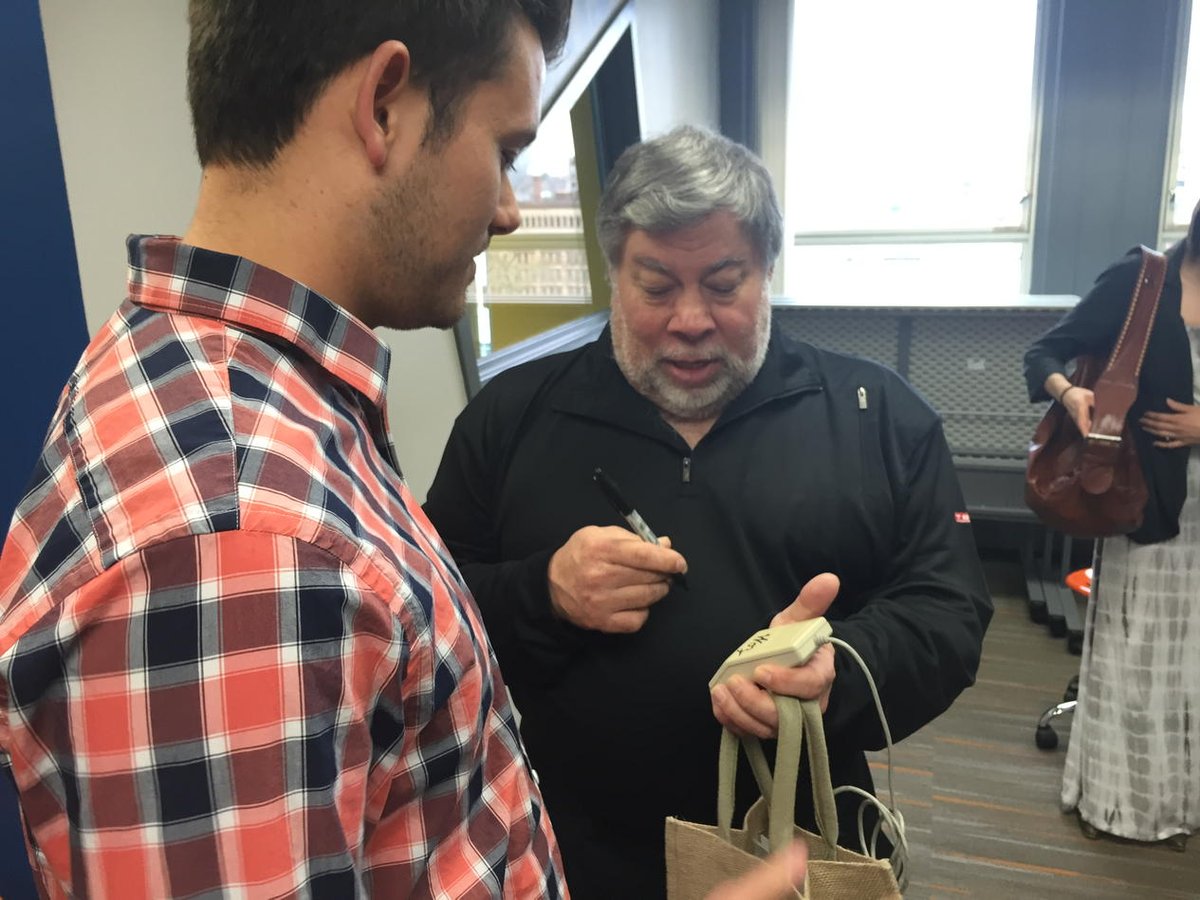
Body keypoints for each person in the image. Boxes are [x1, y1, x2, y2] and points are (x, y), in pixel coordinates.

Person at [0, 1, 575, 895]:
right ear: (384, 104)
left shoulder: (251, 399)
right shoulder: (236, 541)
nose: (508, 210)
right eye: (505, 151)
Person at [424, 125, 994, 898]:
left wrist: (840, 668)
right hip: (562, 844)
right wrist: (543, 592)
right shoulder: (511, 417)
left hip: (800, 845)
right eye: (656, 287)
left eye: (724, 285)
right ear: (614, 273)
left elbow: (950, 611)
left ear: (767, 271)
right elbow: (427, 616)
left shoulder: (879, 416)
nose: (690, 319)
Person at [1023, 212, 1200, 852]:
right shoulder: (1144, 280)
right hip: (1150, 505)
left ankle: (1186, 799)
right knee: (1140, 662)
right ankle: (1124, 802)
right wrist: (1070, 394)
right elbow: (1043, 353)